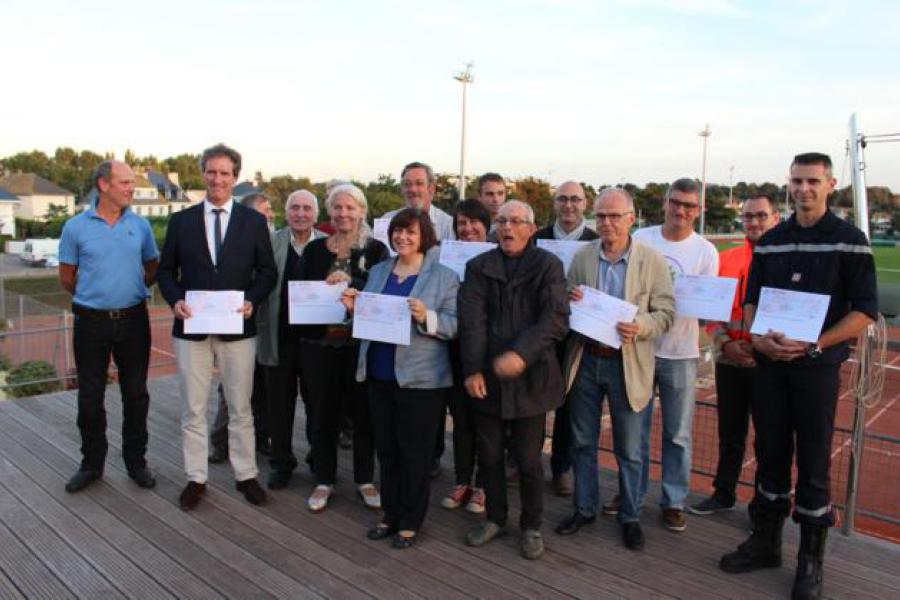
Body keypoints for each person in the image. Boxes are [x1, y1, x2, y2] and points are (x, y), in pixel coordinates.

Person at [720, 153, 877, 600]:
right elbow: (752, 299)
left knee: (812, 459)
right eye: (796, 180)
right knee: (768, 450)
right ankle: (766, 542)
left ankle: (811, 558)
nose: (803, 188)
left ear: (830, 183)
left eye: (812, 180)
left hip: (815, 369)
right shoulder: (773, 239)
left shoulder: (850, 240)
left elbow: (864, 310)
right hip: (770, 364)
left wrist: (815, 344)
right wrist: (756, 338)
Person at [158, 143, 277, 510]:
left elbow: (268, 272)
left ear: (235, 177)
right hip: (191, 327)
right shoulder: (182, 222)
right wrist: (175, 298)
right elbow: (165, 271)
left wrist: (252, 300)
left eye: (225, 173)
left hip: (237, 327)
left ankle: (246, 475)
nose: (217, 179)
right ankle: (196, 478)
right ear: (203, 174)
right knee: (193, 409)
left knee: (241, 408)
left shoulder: (253, 222)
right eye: (211, 171)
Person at [554, 188, 675, 551]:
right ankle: (584, 507)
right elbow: (564, 295)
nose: (606, 223)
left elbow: (667, 312)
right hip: (586, 360)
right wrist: (569, 296)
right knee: (582, 441)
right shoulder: (583, 256)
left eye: (614, 216)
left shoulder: (651, 261)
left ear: (631, 218)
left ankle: (631, 516)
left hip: (628, 362)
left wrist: (641, 325)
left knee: (631, 447)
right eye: (601, 216)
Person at [459, 200, 569, 560]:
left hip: (531, 379)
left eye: (516, 221)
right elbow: (471, 321)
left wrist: (521, 354)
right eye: (502, 221)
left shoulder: (548, 265)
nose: (507, 228)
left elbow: (554, 320)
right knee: (489, 455)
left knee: (528, 459)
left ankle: (531, 525)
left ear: (531, 227)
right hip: (488, 377)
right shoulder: (478, 266)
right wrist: (473, 369)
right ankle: (495, 518)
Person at [344, 208, 459, 549]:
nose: (402, 238)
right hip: (378, 374)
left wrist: (428, 316)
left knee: (415, 454)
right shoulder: (379, 271)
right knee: (388, 450)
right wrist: (353, 308)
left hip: (421, 381)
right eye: (397, 232)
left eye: (410, 232)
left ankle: (411, 520)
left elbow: (455, 326)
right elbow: (367, 317)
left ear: (424, 235)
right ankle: (390, 514)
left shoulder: (444, 277)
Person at [58, 160, 159, 493]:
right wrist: (98, 297)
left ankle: (136, 463)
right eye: (126, 182)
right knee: (89, 397)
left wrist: (126, 292)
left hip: (133, 321)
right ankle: (92, 465)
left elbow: (151, 267)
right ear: (104, 185)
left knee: (136, 395)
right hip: (90, 324)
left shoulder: (141, 226)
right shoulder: (75, 227)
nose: (132, 188)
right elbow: (67, 278)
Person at [629, 178, 718, 533]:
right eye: (676, 203)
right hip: (639, 350)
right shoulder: (642, 238)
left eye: (689, 206)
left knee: (678, 433)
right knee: (633, 428)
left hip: (680, 352)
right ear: (666, 203)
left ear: (699, 210)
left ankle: (673, 500)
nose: (681, 211)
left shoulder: (705, 251)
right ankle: (630, 494)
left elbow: (706, 307)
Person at [294, 184, 388, 512]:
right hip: (319, 347)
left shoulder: (376, 251)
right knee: (322, 414)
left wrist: (352, 286)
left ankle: (364, 479)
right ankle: (324, 479)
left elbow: (380, 294)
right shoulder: (315, 250)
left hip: (359, 348)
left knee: (364, 416)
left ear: (362, 211)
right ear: (330, 212)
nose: (344, 213)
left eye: (350, 207)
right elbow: (301, 293)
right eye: (338, 208)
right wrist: (322, 287)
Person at [689, 195, 780, 515]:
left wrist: (758, 348)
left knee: (768, 438)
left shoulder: (783, 260)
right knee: (730, 433)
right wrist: (725, 342)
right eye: (748, 217)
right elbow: (709, 310)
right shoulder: (725, 260)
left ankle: (762, 504)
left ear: (775, 218)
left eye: (761, 216)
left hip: (767, 362)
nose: (754, 222)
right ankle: (723, 493)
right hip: (729, 358)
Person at [256, 190, 327, 489]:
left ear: (316, 214)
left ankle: (318, 458)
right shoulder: (271, 243)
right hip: (279, 337)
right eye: (294, 208)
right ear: (286, 213)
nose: (300, 213)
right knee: (278, 405)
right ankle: (281, 462)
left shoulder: (328, 244)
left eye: (307, 208)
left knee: (318, 404)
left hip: (317, 342)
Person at [533, 180, 599, 496]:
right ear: (555, 203)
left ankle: (562, 467)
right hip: (541, 331)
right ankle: (526, 462)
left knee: (569, 404)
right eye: (563, 199)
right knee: (532, 398)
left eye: (575, 199)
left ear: (585, 203)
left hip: (577, 334)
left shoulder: (595, 241)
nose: (569, 205)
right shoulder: (538, 238)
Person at [209, 192, 280, 464]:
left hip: (268, 328)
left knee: (262, 388)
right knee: (231, 388)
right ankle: (220, 442)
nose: (271, 215)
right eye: (266, 210)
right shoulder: (233, 243)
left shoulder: (277, 241)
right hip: (237, 326)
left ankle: (261, 438)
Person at [440, 199, 492, 514]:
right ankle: (462, 480)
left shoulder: (499, 259)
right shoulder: (447, 260)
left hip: (486, 354)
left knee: (487, 422)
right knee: (461, 420)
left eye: (474, 223)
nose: (468, 229)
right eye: (462, 224)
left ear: (487, 227)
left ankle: (485, 485)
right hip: (455, 350)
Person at [382, 162, 455, 241]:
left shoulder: (448, 225)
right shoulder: (387, 220)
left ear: (431, 188)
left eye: (419, 183)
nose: (412, 189)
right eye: (407, 184)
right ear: (402, 189)